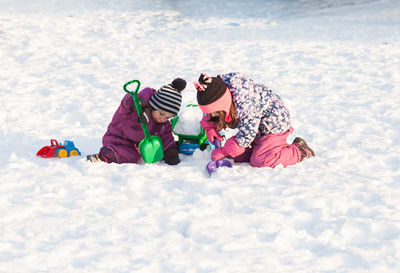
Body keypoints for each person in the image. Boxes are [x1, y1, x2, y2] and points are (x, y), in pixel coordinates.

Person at [194, 72, 314, 168]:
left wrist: (224, 150)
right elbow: (210, 111)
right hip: (257, 128)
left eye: (215, 112)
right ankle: (269, 149)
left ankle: (299, 150)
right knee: (237, 156)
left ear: (223, 105)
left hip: (274, 125)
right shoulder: (219, 91)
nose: (213, 114)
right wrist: (210, 127)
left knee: (260, 160)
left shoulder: (246, 104)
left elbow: (245, 137)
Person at [87, 78, 187, 165]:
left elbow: (166, 138)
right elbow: (127, 101)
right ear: (153, 105)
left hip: (137, 144)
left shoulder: (163, 125)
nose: (163, 119)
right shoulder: (136, 108)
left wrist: (171, 153)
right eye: (161, 114)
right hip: (119, 138)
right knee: (128, 156)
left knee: (135, 154)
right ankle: (103, 156)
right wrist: (139, 106)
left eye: (167, 117)